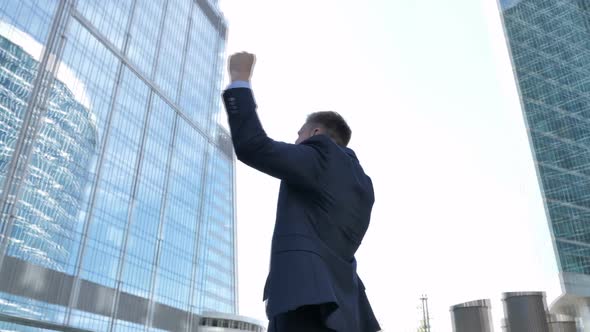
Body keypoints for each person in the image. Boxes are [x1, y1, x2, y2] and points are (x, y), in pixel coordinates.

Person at [222, 52, 380, 332]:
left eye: (299, 134)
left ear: (316, 132)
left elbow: (253, 146)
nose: (296, 141)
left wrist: (240, 80)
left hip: (305, 302)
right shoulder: (364, 186)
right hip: (343, 308)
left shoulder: (321, 155)